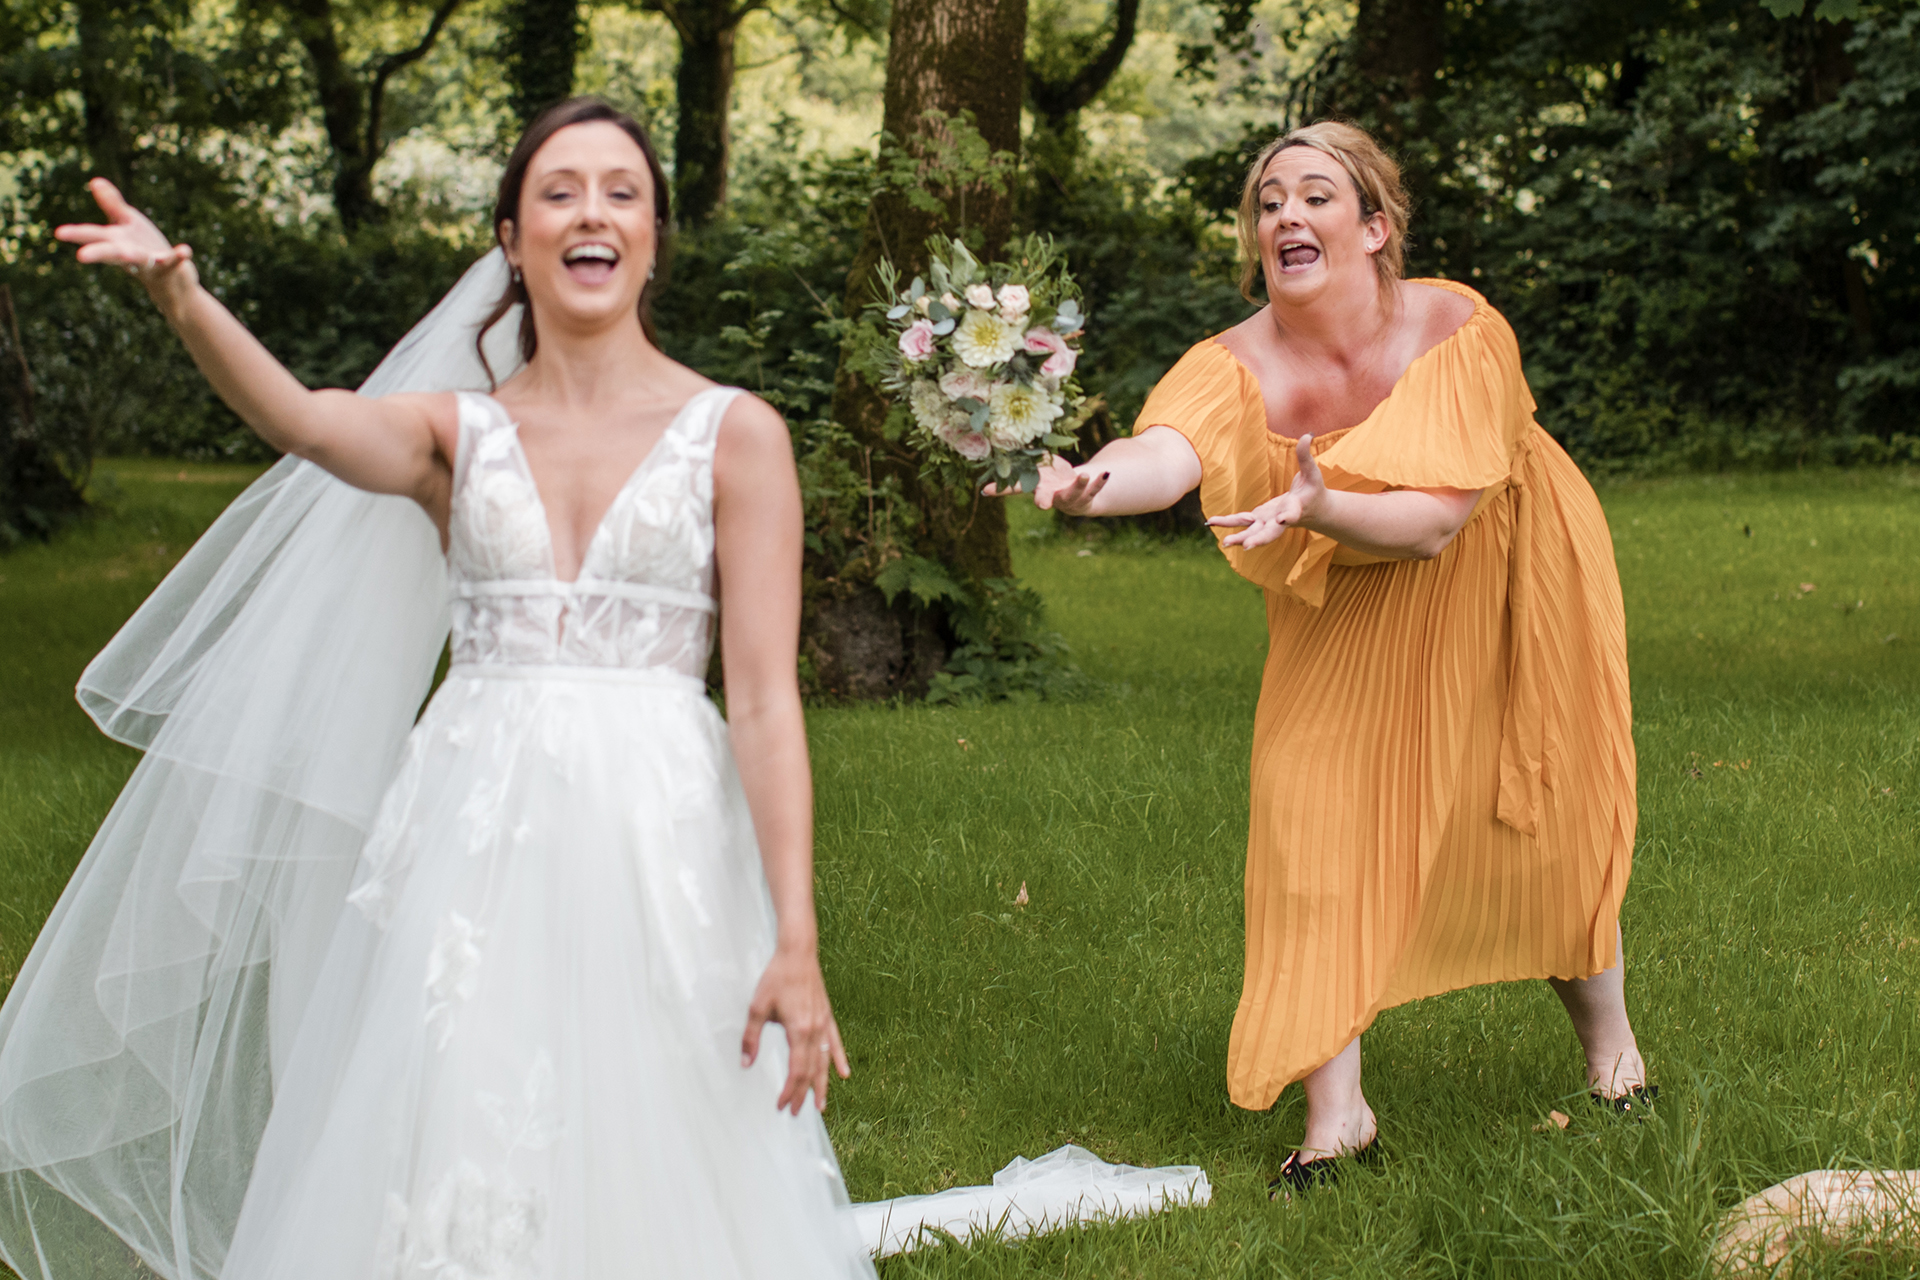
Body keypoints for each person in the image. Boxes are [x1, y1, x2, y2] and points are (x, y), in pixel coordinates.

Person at [0, 98, 875, 1278]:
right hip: (478, 825)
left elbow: (766, 703)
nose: (592, 212)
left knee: (659, 1087)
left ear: (653, 235)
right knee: (463, 1087)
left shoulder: (738, 434)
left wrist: (796, 937)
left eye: (621, 191)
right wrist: (183, 297)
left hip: (655, 825)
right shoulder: (453, 434)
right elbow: (306, 422)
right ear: (512, 238)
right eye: (558, 191)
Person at [1021, 121, 1647, 1197]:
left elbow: (1436, 523)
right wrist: (1089, 485)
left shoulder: (1463, 329)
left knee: (1538, 815)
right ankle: (1339, 1119)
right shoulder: (1232, 363)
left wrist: (1322, 506)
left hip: (1501, 570)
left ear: (1375, 227)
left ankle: (1616, 1063)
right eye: (1269, 202)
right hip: (1347, 599)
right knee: (1308, 819)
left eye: (1315, 196)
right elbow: (1164, 452)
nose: (1286, 216)